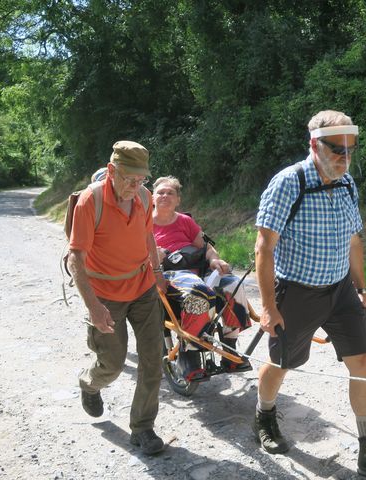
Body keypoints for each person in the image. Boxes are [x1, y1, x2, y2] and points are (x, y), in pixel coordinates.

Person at [254, 111, 366, 479]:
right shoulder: (289, 182)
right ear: (314, 145)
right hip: (297, 290)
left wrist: (361, 288)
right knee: (283, 363)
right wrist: (268, 306)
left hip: (340, 289)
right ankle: (264, 416)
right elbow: (264, 247)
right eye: (336, 149)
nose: (344, 157)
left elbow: (354, 239)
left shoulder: (346, 183)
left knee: (364, 361)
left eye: (350, 150)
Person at [68, 140, 166, 456]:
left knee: (153, 361)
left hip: (143, 288)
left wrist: (157, 271)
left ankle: (143, 428)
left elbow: (147, 234)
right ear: (111, 171)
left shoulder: (143, 196)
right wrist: (93, 307)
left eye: (141, 180)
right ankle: (90, 382)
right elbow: (76, 259)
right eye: (129, 179)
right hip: (106, 295)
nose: (135, 187)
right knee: (112, 364)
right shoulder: (89, 202)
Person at [152, 176, 252, 372]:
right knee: (199, 290)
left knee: (234, 285)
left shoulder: (186, 221)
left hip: (199, 270)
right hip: (168, 274)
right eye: (160, 192)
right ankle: (189, 353)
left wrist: (215, 259)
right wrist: (153, 255)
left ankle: (230, 346)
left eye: (170, 193)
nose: (165, 196)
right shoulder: (143, 224)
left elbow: (207, 245)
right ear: (152, 197)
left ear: (178, 199)